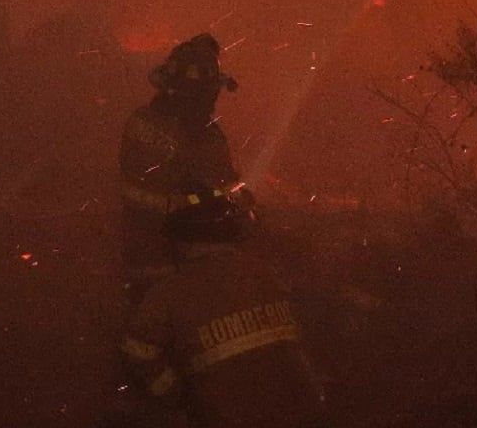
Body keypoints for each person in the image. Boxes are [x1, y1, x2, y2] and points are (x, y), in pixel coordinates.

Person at [119, 192, 325, 427]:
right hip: (303, 409)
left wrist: (178, 398)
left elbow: (137, 352)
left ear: (183, 241)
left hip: (232, 416)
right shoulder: (264, 273)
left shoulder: (169, 293)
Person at [120, 33, 249, 300]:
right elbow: (226, 195)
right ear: (207, 91)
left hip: (134, 251)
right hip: (179, 261)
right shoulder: (203, 137)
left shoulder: (139, 119)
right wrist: (246, 203)